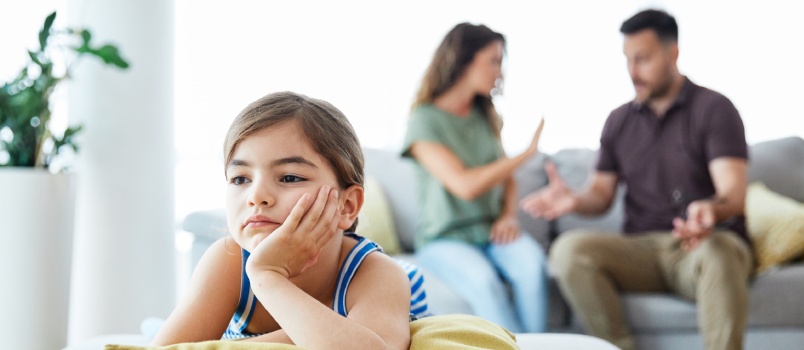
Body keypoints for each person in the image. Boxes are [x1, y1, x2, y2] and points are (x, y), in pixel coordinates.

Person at [520, 9, 753, 350]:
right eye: (628, 60)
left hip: (701, 246)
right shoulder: (618, 121)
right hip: (642, 249)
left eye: (642, 59)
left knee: (719, 252)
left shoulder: (715, 109)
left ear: (672, 53)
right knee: (569, 249)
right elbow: (600, 194)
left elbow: (732, 193)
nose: (632, 72)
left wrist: (709, 210)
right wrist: (574, 199)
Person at [152, 91, 427, 349]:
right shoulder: (228, 261)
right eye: (240, 179)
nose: (256, 196)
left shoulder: (375, 272)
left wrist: (267, 276)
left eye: (290, 178)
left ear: (347, 205)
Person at [401, 22, 549, 334]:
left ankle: (538, 343)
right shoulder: (423, 121)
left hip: (492, 234)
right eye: (493, 61)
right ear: (463, 61)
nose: (500, 72)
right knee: (484, 281)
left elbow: (506, 180)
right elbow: (465, 185)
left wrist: (509, 216)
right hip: (445, 239)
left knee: (532, 266)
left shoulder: (485, 116)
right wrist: (526, 154)